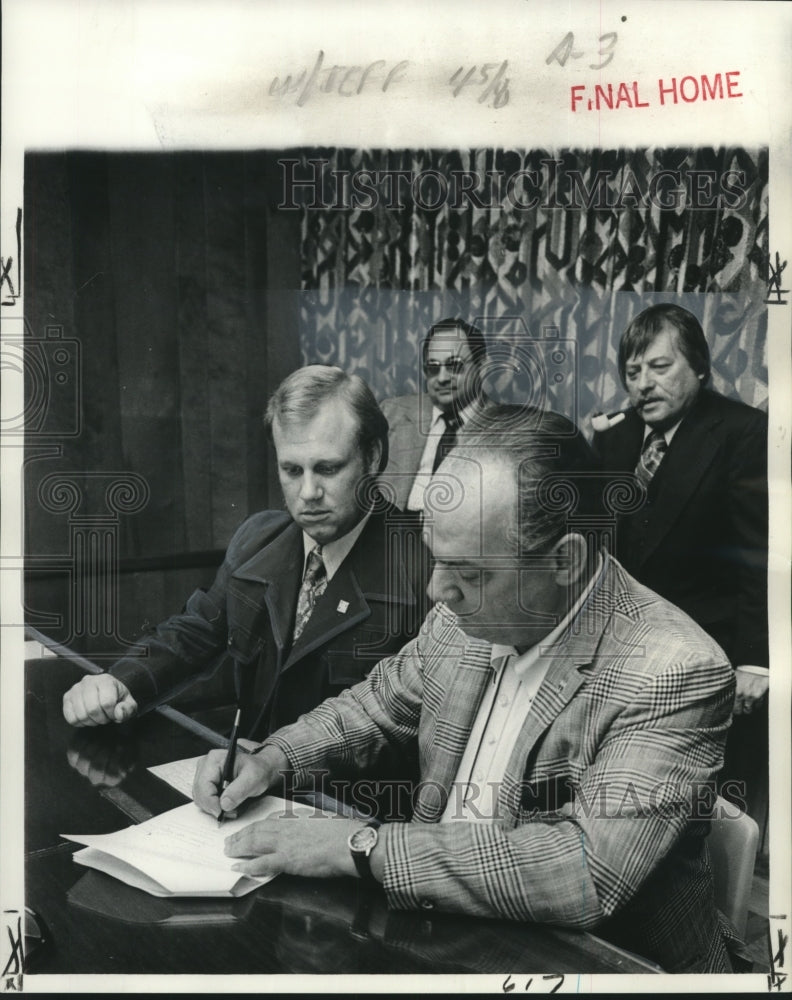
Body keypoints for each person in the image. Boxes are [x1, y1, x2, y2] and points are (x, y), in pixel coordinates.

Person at [194, 408, 741, 974]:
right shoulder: (462, 615)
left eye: (471, 573)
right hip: (447, 934)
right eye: (436, 558)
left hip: (602, 966)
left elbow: (583, 870)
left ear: (566, 561)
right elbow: (375, 707)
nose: (437, 591)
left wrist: (361, 846)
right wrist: (273, 757)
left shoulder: (674, 669)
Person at [62, 366, 428, 741]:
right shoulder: (257, 537)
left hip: (346, 799)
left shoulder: (426, 572)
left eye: (328, 468)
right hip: (248, 786)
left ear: (373, 457)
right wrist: (121, 682)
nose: (307, 492)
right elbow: (194, 633)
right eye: (291, 470)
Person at [592, 303, 769, 717]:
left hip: (706, 652)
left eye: (659, 367)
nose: (644, 385)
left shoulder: (742, 433)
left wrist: (755, 660)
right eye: (633, 373)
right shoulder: (615, 437)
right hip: (621, 650)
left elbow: (760, 557)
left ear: (699, 368)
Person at [378, 317, 489, 512]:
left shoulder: (507, 428)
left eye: (454, 366)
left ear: (482, 365)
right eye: (433, 368)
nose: (443, 378)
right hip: (392, 534)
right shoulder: (392, 414)